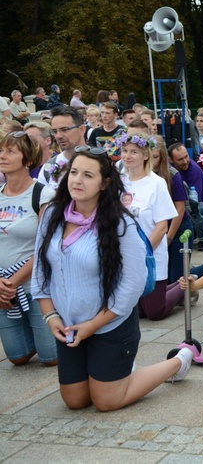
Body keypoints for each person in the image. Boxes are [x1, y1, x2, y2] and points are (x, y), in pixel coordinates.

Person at [32, 147, 193, 412]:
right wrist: (51, 317)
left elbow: (133, 284)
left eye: (87, 175)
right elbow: (40, 270)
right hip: (70, 325)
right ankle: (113, 370)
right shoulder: (52, 214)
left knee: (107, 401)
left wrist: (93, 324)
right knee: (75, 400)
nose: (77, 180)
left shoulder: (121, 223)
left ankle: (178, 361)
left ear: (105, 183)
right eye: (73, 173)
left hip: (111, 323)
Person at [0, 132, 57, 366]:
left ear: (27, 159)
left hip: (34, 287)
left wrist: (11, 284)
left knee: (51, 358)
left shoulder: (43, 194)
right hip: (4, 289)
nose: (2, 156)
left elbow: (46, 247)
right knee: (18, 358)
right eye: (1, 150)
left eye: (10, 151)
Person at [119, 132, 180, 320]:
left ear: (145, 155)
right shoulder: (119, 181)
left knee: (155, 312)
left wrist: (143, 253)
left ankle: (184, 287)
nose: (128, 156)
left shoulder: (156, 183)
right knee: (137, 313)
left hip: (149, 254)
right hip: (126, 254)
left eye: (134, 152)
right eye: (125, 151)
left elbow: (162, 227)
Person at [150, 134, 193, 284]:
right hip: (157, 229)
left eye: (154, 156)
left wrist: (169, 237)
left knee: (177, 280)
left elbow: (180, 209)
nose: (151, 160)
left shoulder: (172, 175)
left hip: (178, 228)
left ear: (162, 156)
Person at [169, 143, 203, 250]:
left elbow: (195, 198)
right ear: (171, 160)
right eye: (180, 159)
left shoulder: (194, 169)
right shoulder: (169, 170)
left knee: (194, 209)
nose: (185, 161)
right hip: (180, 200)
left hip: (202, 202)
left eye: (186, 156)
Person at [39, 106, 89, 189]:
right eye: (55, 131)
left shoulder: (100, 161)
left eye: (65, 129)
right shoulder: (48, 167)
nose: (58, 136)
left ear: (82, 130)